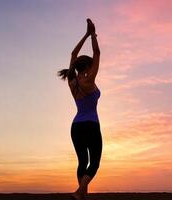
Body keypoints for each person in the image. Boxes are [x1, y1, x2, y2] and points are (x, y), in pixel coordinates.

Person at [57, 18, 101, 200]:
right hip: (91, 125)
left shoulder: (71, 81)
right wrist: (92, 35)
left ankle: (82, 195)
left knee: (82, 161)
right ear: (89, 67)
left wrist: (85, 34)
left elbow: (73, 53)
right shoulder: (89, 80)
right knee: (94, 163)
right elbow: (97, 52)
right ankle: (79, 192)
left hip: (76, 127)